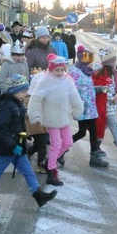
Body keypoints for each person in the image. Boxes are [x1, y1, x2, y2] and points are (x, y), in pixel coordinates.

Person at [0, 74, 57, 208]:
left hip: (17, 146)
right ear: (14, 91)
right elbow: (0, 130)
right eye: (23, 91)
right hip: (6, 148)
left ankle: (38, 195)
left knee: (27, 170)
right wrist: (12, 145)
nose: (25, 94)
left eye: (26, 91)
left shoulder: (17, 104)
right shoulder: (4, 106)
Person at [27, 54, 83, 186]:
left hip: (64, 117)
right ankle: (51, 173)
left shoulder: (67, 80)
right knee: (56, 144)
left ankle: (49, 162)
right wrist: (34, 115)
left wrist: (77, 110)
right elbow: (35, 98)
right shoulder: (45, 81)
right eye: (56, 70)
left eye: (62, 70)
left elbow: (74, 96)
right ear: (51, 69)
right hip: (51, 118)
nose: (59, 73)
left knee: (68, 142)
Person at [68, 46, 109, 168]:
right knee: (85, 132)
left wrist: (99, 89)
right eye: (88, 58)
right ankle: (62, 150)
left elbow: (87, 88)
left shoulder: (87, 71)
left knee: (87, 131)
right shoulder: (76, 72)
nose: (91, 61)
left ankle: (93, 156)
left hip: (90, 106)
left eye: (91, 58)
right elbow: (74, 90)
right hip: (83, 107)